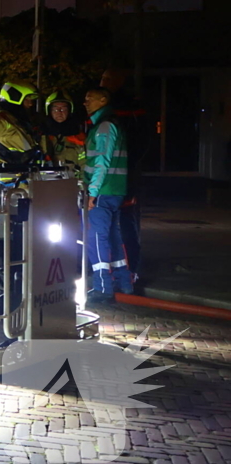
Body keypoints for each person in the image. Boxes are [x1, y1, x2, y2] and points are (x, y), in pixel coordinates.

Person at [83, 87, 133, 303]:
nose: (85, 103)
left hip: (103, 191)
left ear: (103, 99)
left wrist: (92, 193)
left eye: (89, 98)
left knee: (96, 237)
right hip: (114, 190)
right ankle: (124, 283)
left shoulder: (104, 126)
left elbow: (101, 161)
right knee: (113, 236)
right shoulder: (109, 124)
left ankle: (102, 288)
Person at [99, 68, 147, 285]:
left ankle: (131, 272)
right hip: (106, 183)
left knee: (125, 226)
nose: (103, 80)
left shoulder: (129, 107)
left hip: (123, 180)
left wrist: (129, 176)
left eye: (108, 77)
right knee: (105, 228)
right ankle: (111, 272)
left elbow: (139, 144)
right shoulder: (103, 110)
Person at [0, 80, 48, 177]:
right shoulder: (3, 120)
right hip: (9, 182)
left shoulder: (22, 121)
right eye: (27, 99)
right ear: (15, 97)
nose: (30, 104)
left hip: (28, 178)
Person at [44, 91, 85, 173]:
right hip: (45, 182)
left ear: (70, 111)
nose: (59, 112)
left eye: (63, 109)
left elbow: (84, 163)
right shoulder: (41, 135)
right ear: (49, 111)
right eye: (55, 109)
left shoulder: (78, 136)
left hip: (71, 181)